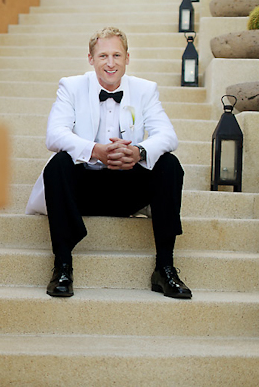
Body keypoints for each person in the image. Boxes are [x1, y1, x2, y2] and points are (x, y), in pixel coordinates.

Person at [25, 27, 192, 300]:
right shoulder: (71, 86)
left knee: (169, 165)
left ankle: (165, 268)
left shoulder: (146, 90)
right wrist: (95, 151)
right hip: (83, 190)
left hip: (127, 189)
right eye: (103, 55)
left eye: (117, 55)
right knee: (58, 165)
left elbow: (168, 135)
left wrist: (139, 151)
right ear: (91, 59)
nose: (111, 63)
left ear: (128, 58)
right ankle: (63, 266)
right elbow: (55, 135)